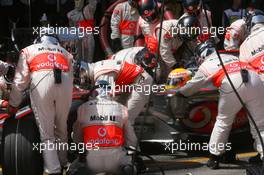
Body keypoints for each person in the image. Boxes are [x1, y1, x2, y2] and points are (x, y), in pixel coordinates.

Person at [176, 40, 264, 169]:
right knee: (260, 125)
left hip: (232, 82)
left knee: (223, 122)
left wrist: (179, 92)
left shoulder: (206, 65)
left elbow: (191, 88)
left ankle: (214, 157)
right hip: (254, 78)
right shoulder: (230, 56)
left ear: (201, 56)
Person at [8, 34, 74, 175]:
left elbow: (20, 82)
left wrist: (13, 104)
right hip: (65, 86)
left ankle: (53, 169)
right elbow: (72, 77)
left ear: (37, 40)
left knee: (47, 134)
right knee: (62, 128)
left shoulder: (28, 50)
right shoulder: (66, 53)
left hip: (42, 86)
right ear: (56, 42)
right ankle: (64, 163)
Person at [68, 80, 137, 175]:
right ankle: (127, 168)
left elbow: (77, 138)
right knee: (132, 168)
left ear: (94, 92)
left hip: (90, 162)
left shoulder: (82, 108)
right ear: (111, 92)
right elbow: (132, 140)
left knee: (72, 170)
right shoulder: (122, 109)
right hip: (117, 162)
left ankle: (80, 169)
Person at [80, 59, 153, 126]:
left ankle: (128, 139)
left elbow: (103, 101)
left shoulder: (101, 74)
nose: (83, 84)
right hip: (131, 82)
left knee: (125, 119)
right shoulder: (97, 67)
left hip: (142, 82)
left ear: (84, 71)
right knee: (117, 112)